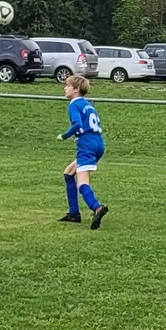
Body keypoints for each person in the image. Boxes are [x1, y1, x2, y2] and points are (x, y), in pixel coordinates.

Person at [57, 74, 110, 229]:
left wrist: (64, 135)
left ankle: (97, 207)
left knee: (82, 183)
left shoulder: (74, 105)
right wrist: (81, 136)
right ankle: (74, 213)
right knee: (68, 173)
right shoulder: (87, 104)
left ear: (76, 89)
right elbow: (89, 125)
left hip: (87, 146)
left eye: (67, 86)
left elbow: (77, 124)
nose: (64, 88)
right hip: (97, 143)